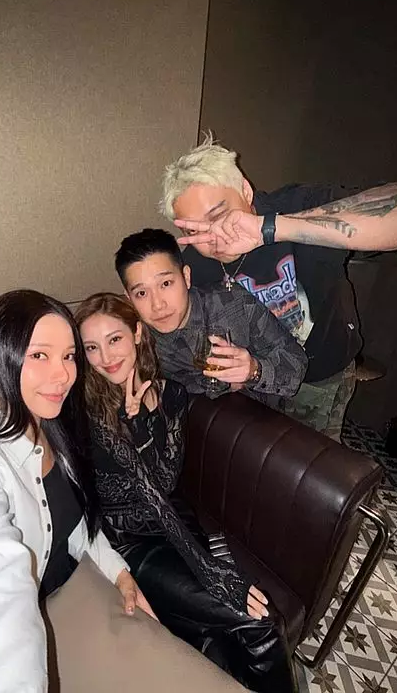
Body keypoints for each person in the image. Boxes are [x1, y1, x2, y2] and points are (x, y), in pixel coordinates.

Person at [0, 289, 154, 693]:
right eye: (39, 355)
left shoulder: (51, 423)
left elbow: (75, 524)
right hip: (37, 619)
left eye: (69, 356)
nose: (63, 375)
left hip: (75, 586)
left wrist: (120, 572)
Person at [75, 291, 297, 693]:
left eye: (114, 339)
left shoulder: (172, 394)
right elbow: (149, 499)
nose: (105, 357)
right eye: (91, 347)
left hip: (175, 521)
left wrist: (145, 424)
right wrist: (210, 570)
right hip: (132, 542)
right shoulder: (91, 410)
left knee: (216, 636)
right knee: (261, 623)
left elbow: (165, 483)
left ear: (137, 333)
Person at [161, 135, 397, 440]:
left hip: (323, 373)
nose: (213, 237)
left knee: (315, 458)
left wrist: (270, 228)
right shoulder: (192, 264)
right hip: (257, 384)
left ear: (245, 190)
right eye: (194, 230)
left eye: (218, 216)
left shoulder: (298, 204)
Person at [114, 227, 307, 403]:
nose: (157, 305)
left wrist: (254, 370)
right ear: (129, 298)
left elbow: (297, 364)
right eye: (142, 293)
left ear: (186, 277)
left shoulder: (234, 304)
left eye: (165, 284)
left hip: (280, 412)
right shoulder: (140, 340)